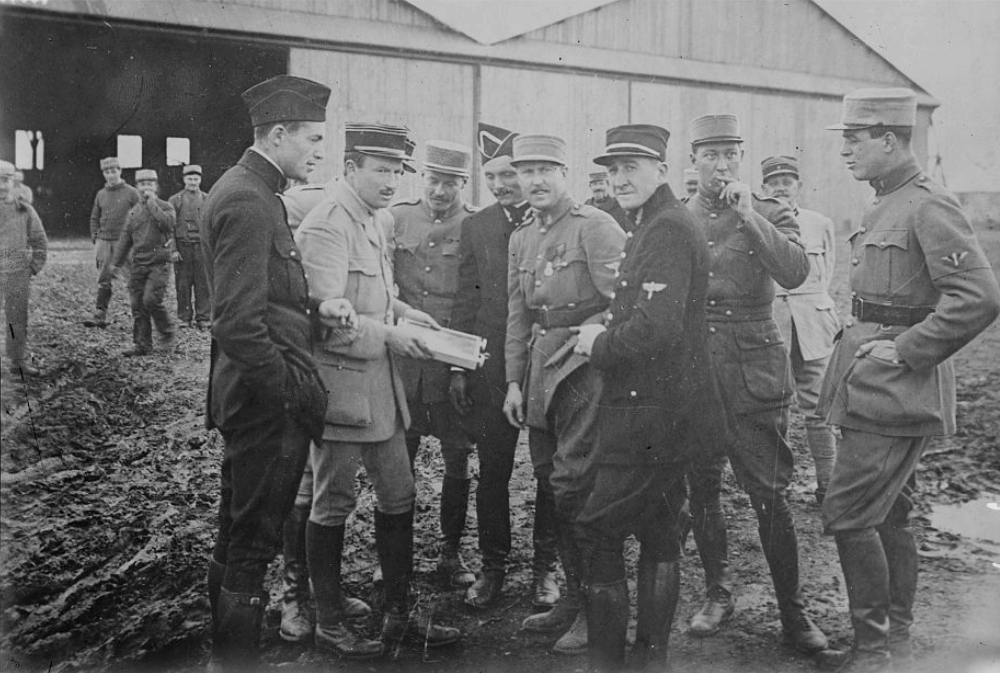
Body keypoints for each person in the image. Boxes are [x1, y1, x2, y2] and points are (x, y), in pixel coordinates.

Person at [817, 88, 1000, 672]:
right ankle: (893, 640)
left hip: (897, 391)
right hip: (872, 385)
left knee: (849, 512)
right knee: (888, 511)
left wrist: (908, 347)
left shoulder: (926, 204)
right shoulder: (884, 201)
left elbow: (978, 296)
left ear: (890, 140)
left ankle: (873, 651)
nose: (845, 150)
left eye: (854, 139)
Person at [295, 122, 461, 659]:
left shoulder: (372, 219)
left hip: (381, 392)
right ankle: (328, 619)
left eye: (397, 171)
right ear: (350, 168)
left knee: (400, 494)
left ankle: (397, 615)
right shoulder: (327, 226)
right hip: (342, 394)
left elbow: (375, 297)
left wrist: (411, 314)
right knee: (333, 502)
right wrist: (394, 334)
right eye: (381, 170)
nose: (391, 181)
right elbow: (325, 323)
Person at [572, 125, 725, 671]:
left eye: (632, 166)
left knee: (598, 527)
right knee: (660, 527)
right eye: (613, 170)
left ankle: (610, 663)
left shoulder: (664, 228)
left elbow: (656, 328)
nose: (620, 179)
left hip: (650, 413)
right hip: (669, 409)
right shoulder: (657, 222)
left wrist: (599, 344)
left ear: (661, 168)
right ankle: (650, 659)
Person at [200, 74, 332, 668]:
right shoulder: (249, 200)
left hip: (248, 398)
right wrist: (289, 398)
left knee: (237, 532)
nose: (318, 152)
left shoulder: (252, 190)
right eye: (312, 139)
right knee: (252, 543)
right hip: (263, 408)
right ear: (278, 135)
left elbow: (268, 306)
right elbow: (238, 324)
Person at [683, 114, 828, 653]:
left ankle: (794, 614)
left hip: (754, 369)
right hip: (697, 370)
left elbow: (795, 273)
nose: (721, 165)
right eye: (710, 155)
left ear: (740, 158)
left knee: (769, 493)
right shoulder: (678, 215)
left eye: (730, 155)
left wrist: (749, 216)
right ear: (693, 160)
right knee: (702, 488)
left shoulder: (769, 210)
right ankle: (717, 592)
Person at [504, 134, 626, 655]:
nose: (534, 181)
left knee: (578, 485)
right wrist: (512, 381)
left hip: (583, 372)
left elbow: (623, 303)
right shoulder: (521, 237)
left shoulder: (596, 227)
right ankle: (572, 597)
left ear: (565, 173)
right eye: (525, 171)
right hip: (538, 373)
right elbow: (517, 313)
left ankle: (593, 609)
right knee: (553, 485)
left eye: (544, 170)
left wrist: (592, 333)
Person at [451, 123, 558, 610]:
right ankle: (493, 567)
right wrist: (458, 366)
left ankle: (545, 570)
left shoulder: (557, 223)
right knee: (493, 471)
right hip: (494, 366)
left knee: (550, 472)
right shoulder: (476, 226)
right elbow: (465, 301)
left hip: (551, 366)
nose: (499, 185)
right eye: (491, 176)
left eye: (507, 174)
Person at [389, 140, 478, 589]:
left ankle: (451, 550)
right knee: (397, 459)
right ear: (421, 178)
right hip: (405, 363)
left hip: (451, 367)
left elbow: (476, 299)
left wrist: (463, 369)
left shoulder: (476, 225)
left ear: (463, 183)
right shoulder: (397, 218)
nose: (440, 190)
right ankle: (395, 554)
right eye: (434, 179)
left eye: (450, 182)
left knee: (456, 458)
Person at [761, 154, 840, 504]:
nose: (781, 186)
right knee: (773, 407)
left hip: (812, 321)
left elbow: (828, 270)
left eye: (788, 181)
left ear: (799, 186)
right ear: (763, 188)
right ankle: (776, 487)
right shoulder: (758, 221)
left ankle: (829, 487)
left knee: (817, 406)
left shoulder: (819, 223)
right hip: (774, 322)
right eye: (774, 182)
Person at [111, 169, 178, 357]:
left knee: (151, 300)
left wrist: (151, 204)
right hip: (139, 264)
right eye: (142, 184)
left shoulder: (166, 206)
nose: (145, 187)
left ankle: (166, 332)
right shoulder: (133, 213)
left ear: (156, 187)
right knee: (137, 305)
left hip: (160, 263)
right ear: (137, 187)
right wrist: (115, 264)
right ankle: (142, 344)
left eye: (150, 184)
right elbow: (125, 238)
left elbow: (167, 224)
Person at [0, 160, 47, 376]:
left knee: (16, 318)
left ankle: (17, 360)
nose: (1, 185)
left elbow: (39, 241)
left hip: (17, 272)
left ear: (13, 181)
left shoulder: (24, 209)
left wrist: (32, 268)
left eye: (5, 180)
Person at [84, 157, 140, 328]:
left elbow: (141, 216)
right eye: (107, 172)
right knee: (104, 278)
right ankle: (100, 314)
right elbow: (94, 217)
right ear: (104, 174)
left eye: (113, 171)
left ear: (120, 171)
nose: (111, 175)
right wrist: (96, 237)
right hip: (105, 242)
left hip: (126, 243)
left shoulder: (131, 192)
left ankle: (139, 316)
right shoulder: (101, 194)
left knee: (133, 278)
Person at [168, 164, 211, 330]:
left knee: (203, 283)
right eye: (189, 178)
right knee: (183, 284)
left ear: (200, 179)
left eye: (196, 179)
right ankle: (184, 318)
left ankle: (204, 317)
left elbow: (211, 226)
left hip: (201, 247)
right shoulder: (175, 200)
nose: (193, 182)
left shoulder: (208, 199)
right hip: (183, 247)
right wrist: (173, 249)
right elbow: (169, 227)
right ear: (184, 179)